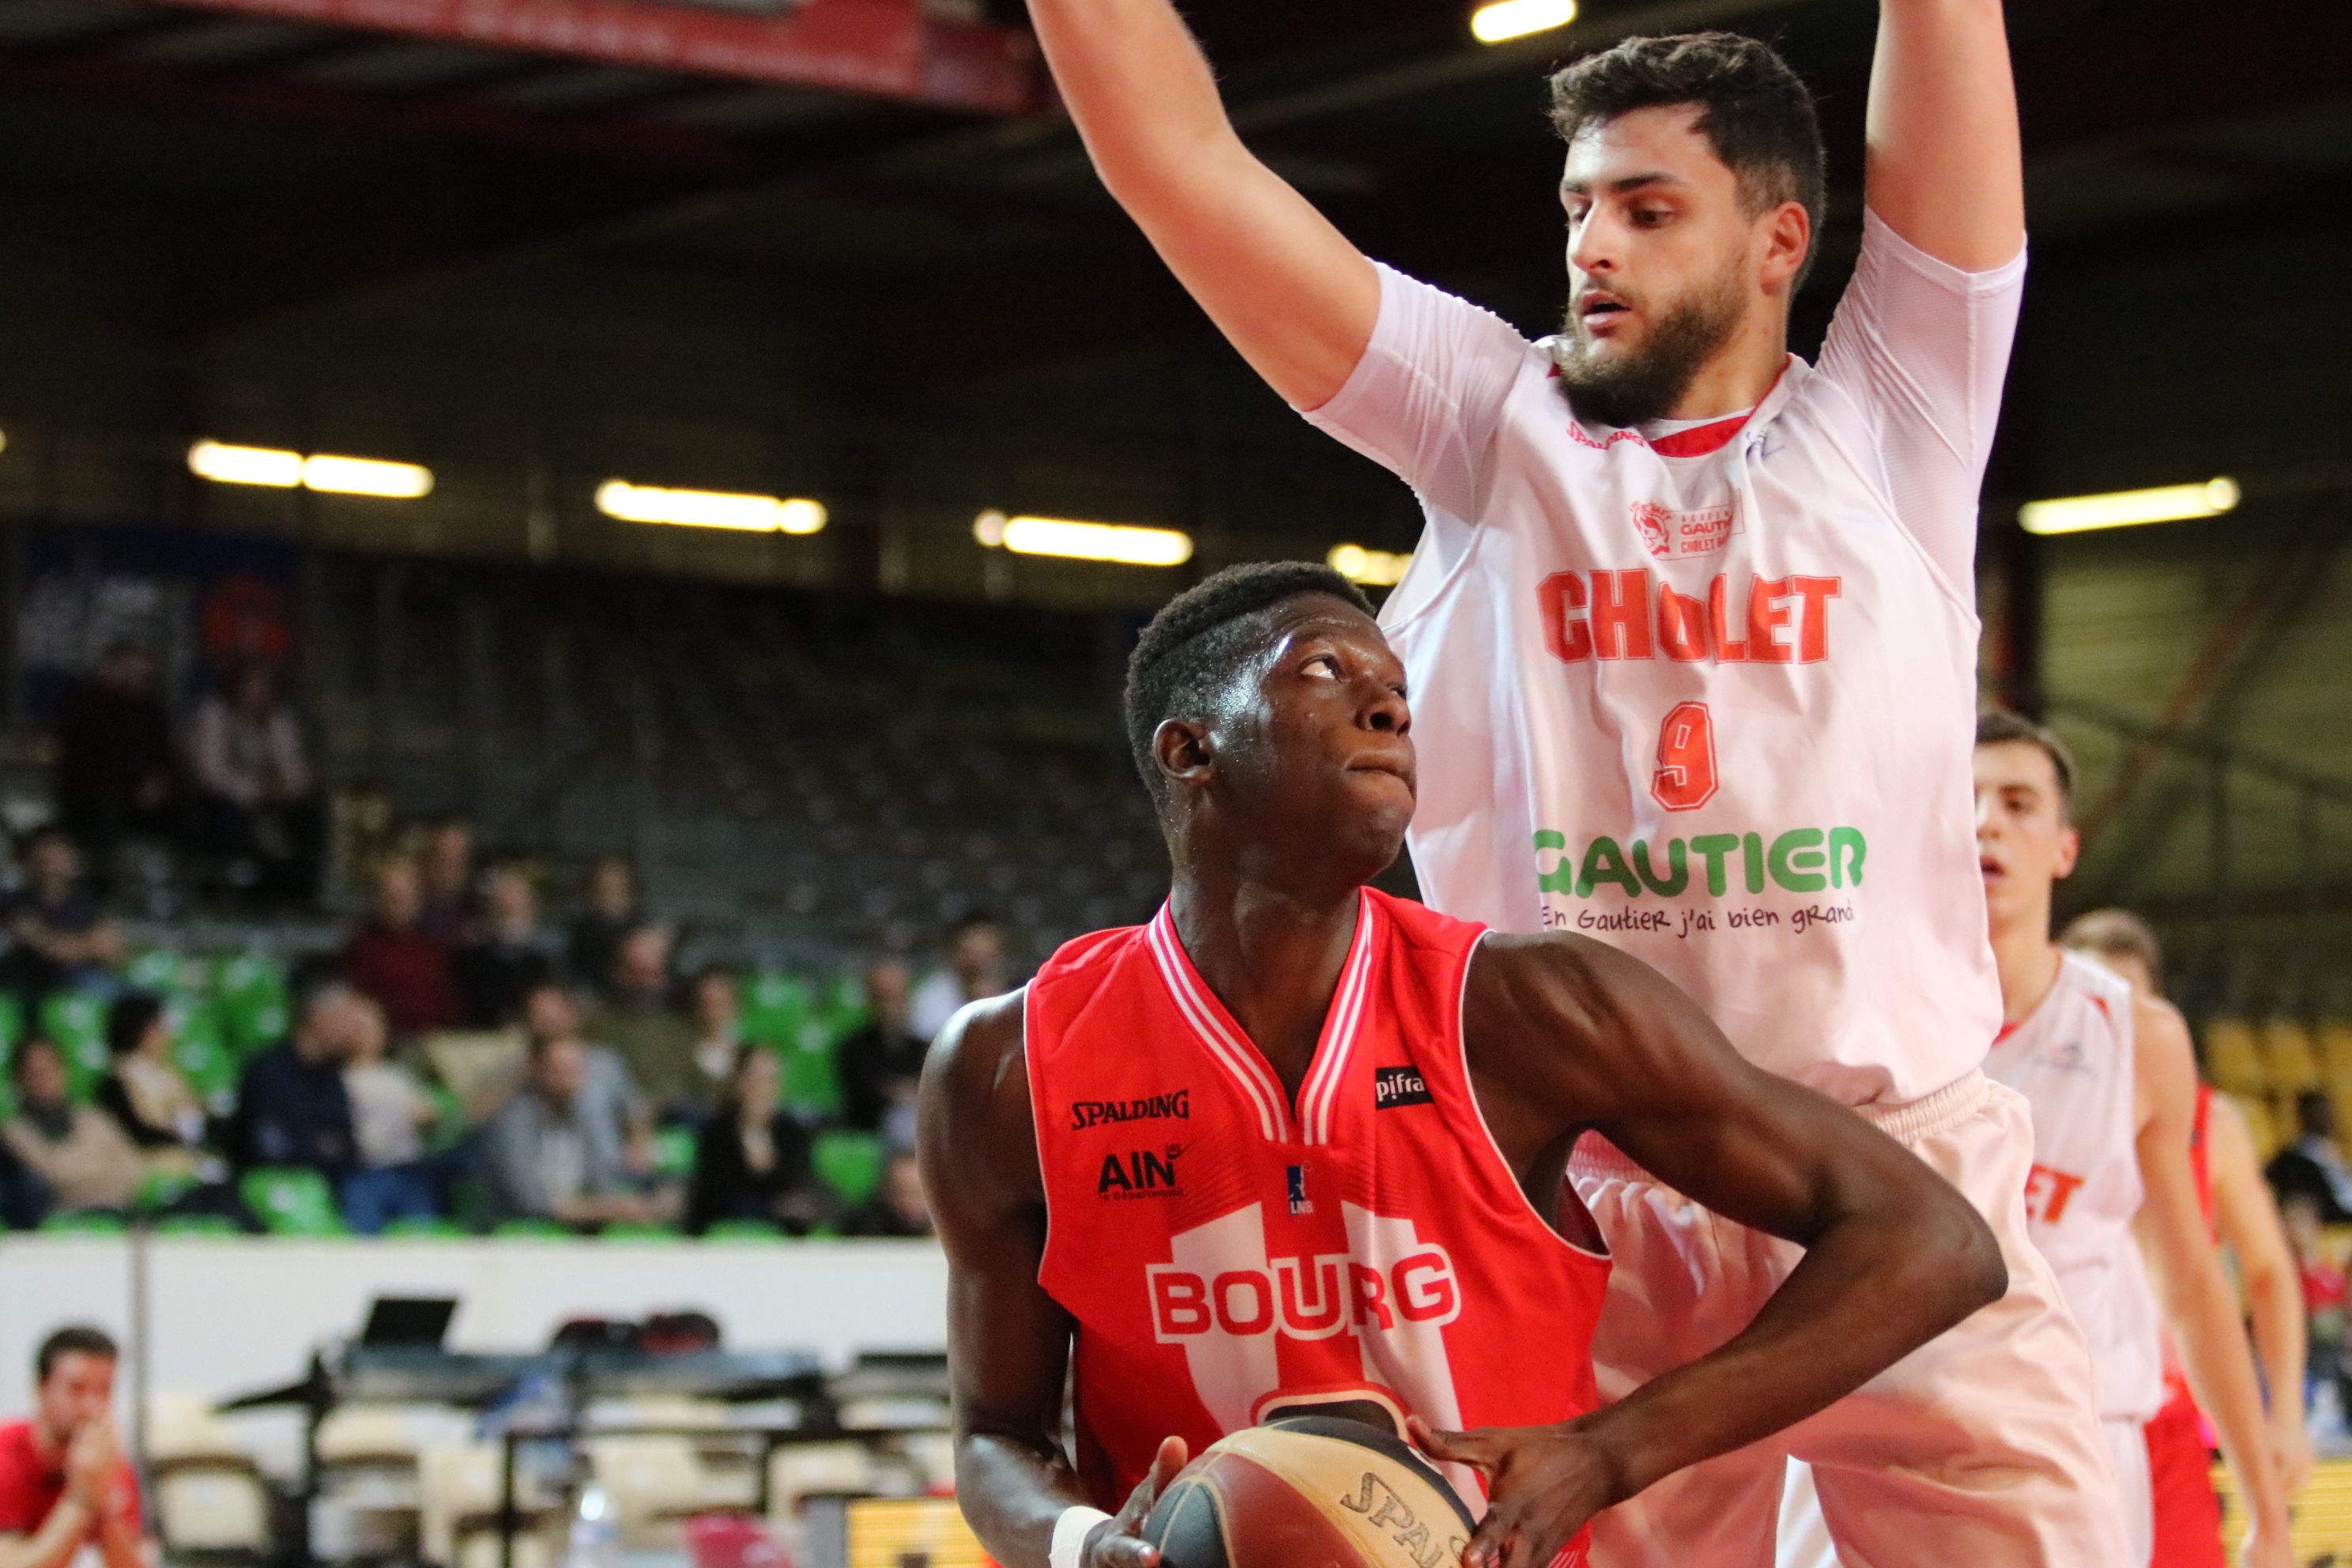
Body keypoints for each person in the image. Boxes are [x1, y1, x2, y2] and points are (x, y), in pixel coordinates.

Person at [958, 3, 2132, 1557]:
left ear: (1780, 240)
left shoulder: (1896, 415)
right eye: (1579, 205)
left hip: (1889, 1165)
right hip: (1577, 1187)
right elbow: (1181, 166)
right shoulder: (1487, 417)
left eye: (1648, 211)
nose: (1595, 245)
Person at [924, 565, 2007, 1568]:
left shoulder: (1528, 1007)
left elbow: (1934, 1241)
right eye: (1323, 671)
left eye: (1394, 688)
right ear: (1190, 750)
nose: (1389, 708)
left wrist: (1609, 1451)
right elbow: (998, 1440)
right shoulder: (1007, 1066)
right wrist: (1075, 1545)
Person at [1974, 712, 2290, 1562]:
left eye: (2016, 801)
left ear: (2065, 847)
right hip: (1885, 1430)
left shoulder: (2136, 1036)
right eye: (1964, 800)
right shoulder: (1869, 1020)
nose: (1986, 822)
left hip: (2076, 1436)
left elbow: (2190, 1278)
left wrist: (2266, 1501)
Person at [2061, 908, 2316, 1564]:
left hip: (2168, 1424)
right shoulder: (2018, 1107)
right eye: (2095, 997)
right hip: (2051, 1414)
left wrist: (2284, 1412)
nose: (2114, 1023)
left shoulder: (2212, 1122)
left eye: (2130, 1001)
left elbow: (2267, 1270)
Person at [481, 1031, 655, 1231]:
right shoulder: (513, 1121)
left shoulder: (587, 1117)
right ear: (537, 1071)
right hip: (516, 1233)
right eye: (558, 1070)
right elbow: (529, 1202)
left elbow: (602, 1181)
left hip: (578, 1230)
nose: (569, 1080)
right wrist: (611, 1209)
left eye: (575, 1069)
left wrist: (622, 1205)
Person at [0, 1326, 143, 1568]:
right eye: (76, 1389)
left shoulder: (110, 1463)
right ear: (41, 1389)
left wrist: (104, 1503)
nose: (92, 1406)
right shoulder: (7, 1459)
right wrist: (81, 1497)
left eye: (105, 1390)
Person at [186, 662, 322, 901]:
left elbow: (295, 767)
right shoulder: (215, 714)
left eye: (264, 687)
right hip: (227, 800)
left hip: (274, 802)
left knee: (309, 816)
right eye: (252, 686)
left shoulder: (278, 720)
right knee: (228, 821)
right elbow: (210, 772)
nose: (257, 693)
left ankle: (297, 892)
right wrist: (255, 790)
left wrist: (285, 786)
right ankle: (238, 893)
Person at [51, 641, 175, 868]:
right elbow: (86, 750)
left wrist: (159, 781)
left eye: (143, 673)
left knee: (189, 806)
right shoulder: (89, 698)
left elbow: (165, 754)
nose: (137, 678)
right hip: (97, 788)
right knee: (107, 806)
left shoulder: (152, 709)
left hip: (144, 792)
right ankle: (103, 884)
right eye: (131, 670)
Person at [686, 1046, 826, 1235]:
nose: (763, 1088)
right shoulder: (716, 1132)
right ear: (740, 1083)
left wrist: (772, 1168)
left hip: (785, 1231)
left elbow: (799, 1185)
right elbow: (710, 1194)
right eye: (757, 1078)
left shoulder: (792, 1132)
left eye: (771, 1080)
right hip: (731, 1226)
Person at [232, 982, 362, 1183]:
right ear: (318, 1018)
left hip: (330, 1185)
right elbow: (271, 1148)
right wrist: (322, 1148)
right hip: (273, 1187)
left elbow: (348, 1147)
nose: (350, 1032)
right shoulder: (268, 1072)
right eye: (343, 1021)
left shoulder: (331, 1075)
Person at [340, 995, 443, 1233]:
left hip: (408, 1170)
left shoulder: (398, 1077)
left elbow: (428, 1117)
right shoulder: (338, 1080)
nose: (367, 1035)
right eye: (359, 1028)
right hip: (362, 1172)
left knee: (423, 1226)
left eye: (373, 1027)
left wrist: (428, 1117)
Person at [1, 1041, 140, 1219]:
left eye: (50, 1068)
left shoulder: (95, 1118)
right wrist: (100, 1169)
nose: (43, 1077)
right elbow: (56, 1176)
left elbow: (133, 1169)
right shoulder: (14, 1131)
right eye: (33, 1072)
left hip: (122, 1214)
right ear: (18, 1079)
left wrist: (76, 1171)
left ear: (64, 1071)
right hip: (64, 1224)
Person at [92, 991, 214, 1182]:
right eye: (158, 1026)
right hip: (147, 1164)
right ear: (139, 1031)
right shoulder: (117, 1081)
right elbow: (129, 1131)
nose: (166, 1034)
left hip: (189, 1157)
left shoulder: (169, 1073)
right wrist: (176, 1135)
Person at [341, 856, 462, 1038]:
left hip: (439, 1039)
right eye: (392, 897)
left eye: (407, 896)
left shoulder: (434, 944)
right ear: (376, 899)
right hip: (388, 1041)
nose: (400, 904)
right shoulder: (361, 948)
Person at [590, 925, 702, 1121]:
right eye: (635, 971)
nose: (644, 981)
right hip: (615, 1118)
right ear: (619, 972)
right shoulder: (596, 1025)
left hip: (674, 1119)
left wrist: (659, 1105)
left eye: (651, 972)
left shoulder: (680, 1027)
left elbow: (694, 1083)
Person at [1, 829, 125, 1006]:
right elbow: (54, 950)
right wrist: (89, 945)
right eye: (46, 858)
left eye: (59, 857)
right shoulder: (14, 903)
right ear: (28, 861)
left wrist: (77, 947)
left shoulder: (86, 903)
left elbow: (114, 952)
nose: (53, 865)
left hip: (86, 982)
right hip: (36, 990)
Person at [451, 864, 556, 1028]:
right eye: (503, 900)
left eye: (516, 898)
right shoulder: (472, 957)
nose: (509, 904)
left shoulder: (547, 954)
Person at [836, 959, 925, 1140]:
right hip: (869, 1138)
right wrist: (907, 1092)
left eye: (896, 996)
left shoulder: (922, 1049)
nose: (890, 1006)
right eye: (883, 997)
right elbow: (867, 1095)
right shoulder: (853, 1049)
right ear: (870, 1000)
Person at [909, 916, 1008, 1044]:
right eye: (971, 954)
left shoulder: (1016, 996)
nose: (978, 963)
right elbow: (932, 1046)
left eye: (987, 956)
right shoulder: (931, 994)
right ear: (956, 953)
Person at [2263, 1091, 2352, 1223]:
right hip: (2333, 1220)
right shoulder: (2293, 1159)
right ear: (2304, 1116)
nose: (2326, 1119)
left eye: (2328, 1112)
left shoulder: (2331, 1151)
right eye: (2319, 1113)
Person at [565, 854, 639, 998]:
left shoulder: (642, 928)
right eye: (604, 885)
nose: (611, 890)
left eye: (617, 885)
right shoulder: (580, 933)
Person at [842, 1148, 932, 1239]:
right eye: (899, 1192)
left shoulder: (943, 1234)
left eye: (916, 1193)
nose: (908, 1202)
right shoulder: (864, 1228)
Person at [416, 819, 477, 947]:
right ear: (426, 862)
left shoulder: (478, 910)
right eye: (444, 860)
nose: (451, 869)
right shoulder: (408, 911)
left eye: (458, 860)